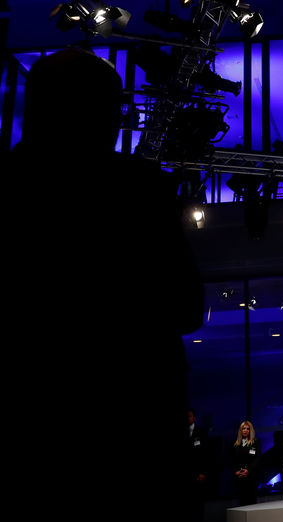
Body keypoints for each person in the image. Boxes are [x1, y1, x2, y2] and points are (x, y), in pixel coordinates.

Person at [2, 48, 204, 521]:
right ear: (91, 110)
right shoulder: (137, 190)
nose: (119, 120)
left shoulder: (10, 188)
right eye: (114, 107)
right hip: (133, 438)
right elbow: (186, 306)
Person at [231, 421, 262, 506]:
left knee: (251, 501)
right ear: (240, 430)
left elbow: (258, 458)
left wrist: (248, 470)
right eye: (243, 428)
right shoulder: (236, 444)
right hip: (240, 476)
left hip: (252, 476)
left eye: (248, 429)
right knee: (242, 501)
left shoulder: (255, 442)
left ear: (250, 430)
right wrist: (235, 471)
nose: (245, 430)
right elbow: (232, 460)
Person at [188, 409, 210, 522]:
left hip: (198, 474)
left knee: (198, 504)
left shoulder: (201, 433)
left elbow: (205, 455)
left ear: (194, 418)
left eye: (190, 416)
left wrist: (203, 472)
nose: (188, 418)